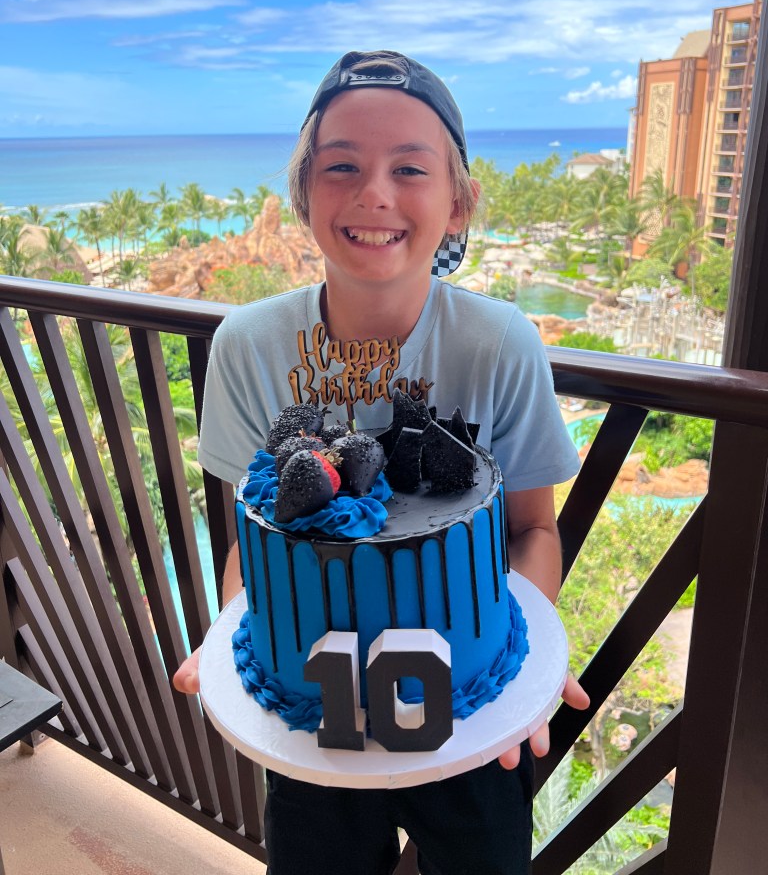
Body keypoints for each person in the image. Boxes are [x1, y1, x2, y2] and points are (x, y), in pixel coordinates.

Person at [173, 50, 589, 875]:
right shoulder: (248, 347)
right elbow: (255, 545)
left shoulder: (500, 343)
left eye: (409, 168)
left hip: (470, 719)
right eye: (341, 166)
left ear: (457, 202)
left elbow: (532, 530)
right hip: (313, 715)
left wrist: (516, 677)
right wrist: (237, 633)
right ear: (303, 193)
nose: (374, 193)